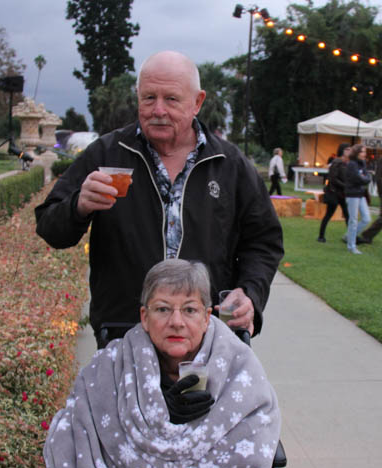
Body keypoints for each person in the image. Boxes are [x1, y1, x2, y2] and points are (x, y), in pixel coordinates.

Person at [44, 259, 282, 468]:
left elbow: (256, 443)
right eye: (162, 309)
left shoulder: (240, 369)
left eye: (189, 309)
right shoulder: (108, 367)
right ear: (143, 317)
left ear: (207, 315)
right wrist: (149, 407)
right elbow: (74, 429)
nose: (176, 321)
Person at [34, 51, 283, 347]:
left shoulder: (229, 164)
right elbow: (50, 227)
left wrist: (250, 292)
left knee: (203, 395)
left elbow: (264, 240)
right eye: (149, 98)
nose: (158, 110)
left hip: (209, 337)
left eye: (172, 99)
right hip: (124, 334)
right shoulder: (106, 154)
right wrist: (78, 205)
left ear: (197, 102)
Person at [317, 143, 351, 242]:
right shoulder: (337, 162)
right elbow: (333, 178)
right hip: (335, 193)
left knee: (347, 215)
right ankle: (321, 236)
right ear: (342, 151)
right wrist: (345, 185)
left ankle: (350, 237)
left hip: (342, 193)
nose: (349, 151)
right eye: (347, 149)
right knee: (329, 215)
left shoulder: (346, 163)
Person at [343, 144, 372, 254]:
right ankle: (351, 246)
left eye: (365, 152)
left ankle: (348, 236)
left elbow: (366, 176)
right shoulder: (352, 164)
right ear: (357, 153)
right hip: (352, 194)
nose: (364, 154)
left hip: (361, 194)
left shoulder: (362, 163)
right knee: (353, 220)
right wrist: (365, 178)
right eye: (362, 152)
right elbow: (359, 178)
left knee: (366, 218)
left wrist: (366, 178)